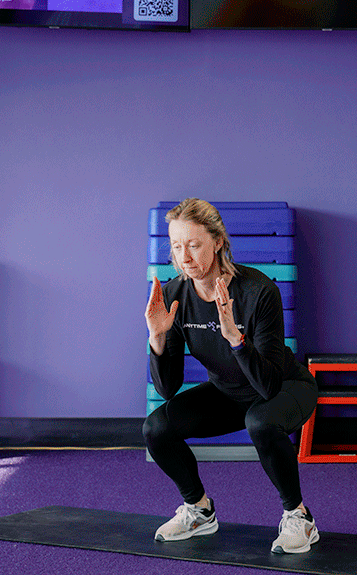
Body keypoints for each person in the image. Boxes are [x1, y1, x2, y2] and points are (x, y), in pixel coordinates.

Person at [143, 198, 319, 554]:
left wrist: (235, 339)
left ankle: (299, 517)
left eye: (194, 245)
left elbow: (268, 385)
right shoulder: (175, 294)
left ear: (218, 241)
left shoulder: (257, 291)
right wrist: (157, 337)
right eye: (177, 246)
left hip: (285, 387)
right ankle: (200, 510)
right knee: (156, 428)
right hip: (229, 392)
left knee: (260, 422)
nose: (185, 256)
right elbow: (167, 388)